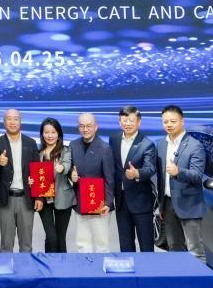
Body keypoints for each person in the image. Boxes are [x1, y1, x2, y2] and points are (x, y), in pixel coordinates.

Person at [156, 105, 207, 261]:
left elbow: (197, 176)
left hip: (189, 204)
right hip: (168, 203)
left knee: (195, 250)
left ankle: (198, 278)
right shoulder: (161, 144)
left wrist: (179, 171)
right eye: (165, 122)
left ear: (182, 121)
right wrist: (161, 205)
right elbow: (160, 177)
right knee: (174, 248)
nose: (169, 125)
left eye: (173, 121)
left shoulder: (194, 145)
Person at [110, 105, 158, 252]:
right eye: (124, 120)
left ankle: (147, 267)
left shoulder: (147, 144)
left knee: (146, 244)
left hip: (140, 200)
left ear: (139, 122)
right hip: (121, 199)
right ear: (119, 122)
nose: (127, 124)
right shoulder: (114, 139)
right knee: (125, 243)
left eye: (131, 120)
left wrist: (137, 173)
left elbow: (150, 168)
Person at [0, 109, 38, 253]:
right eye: (9, 119)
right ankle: (6, 268)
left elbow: (37, 170)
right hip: (6, 198)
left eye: (16, 119)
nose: (12, 122)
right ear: (4, 122)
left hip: (26, 198)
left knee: (26, 245)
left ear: (20, 121)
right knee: (6, 244)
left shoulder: (31, 143)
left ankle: (26, 268)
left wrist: (39, 197)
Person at [68, 112, 115, 252]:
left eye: (88, 126)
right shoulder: (73, 145)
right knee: (82, 243)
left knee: (102, 244)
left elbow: (110, 178)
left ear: (96, 127)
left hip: (99, 203)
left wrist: (108, 202)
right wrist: (72, 175)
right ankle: (85, 266)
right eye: (82, 126)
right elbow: (70, 169)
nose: (85, 129)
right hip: (81, 201)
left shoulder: (105, 148)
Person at [38, 118, 73, 253]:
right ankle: (48, 264)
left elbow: (67, 164)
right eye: (46, 132)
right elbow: (34, 173)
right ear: (42, 134)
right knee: (51, 237)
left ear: (59, 134)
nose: (50, 135)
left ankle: (62, 264)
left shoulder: (66, 150)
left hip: (63, 197)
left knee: (60, 238)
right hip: (44, 199)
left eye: (53, 132)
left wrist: (62, 168)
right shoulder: (38, 153)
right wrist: (31, 181)